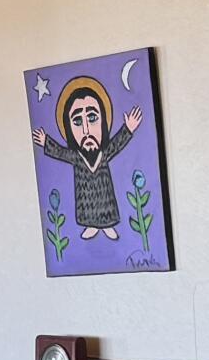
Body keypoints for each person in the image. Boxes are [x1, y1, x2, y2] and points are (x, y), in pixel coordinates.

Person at [33, 75, 141, 240]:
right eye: (77, 121)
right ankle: (91, 225)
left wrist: (128, 128)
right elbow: (60, 152)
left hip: (105, 197)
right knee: (87, 209)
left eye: (92, 118)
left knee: (106, 207)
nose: (86, 130)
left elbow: (117, 144)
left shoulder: (104, 154)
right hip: (86, 199)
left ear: (104, 121)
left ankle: (107, 225)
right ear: (68, 129)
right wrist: (45, 141)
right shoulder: (76, 156)